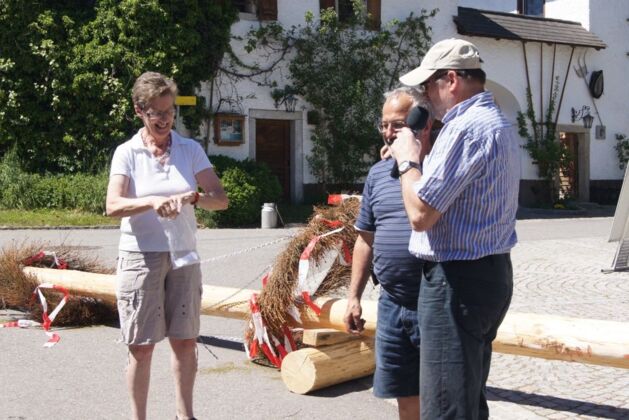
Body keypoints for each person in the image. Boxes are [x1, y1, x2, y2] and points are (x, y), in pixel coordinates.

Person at [389, 38, 520, 419]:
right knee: (466, 400)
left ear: (450, 80)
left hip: (456, 280)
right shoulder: (497, 122)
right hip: (487, 274)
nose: (423, 96)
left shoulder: (465, 128)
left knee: (446, 407)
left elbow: (420, 214)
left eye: (427, 85)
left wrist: (408, 160)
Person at [106, 71, 228, 420]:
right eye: (156, 113)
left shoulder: (190, 150)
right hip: (140, 256)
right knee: (141, 348)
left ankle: (185, 415)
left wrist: (195, 197)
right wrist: (151, 202)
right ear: (139, 111)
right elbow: (113, 205)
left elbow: (220, 200)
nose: (164, 120)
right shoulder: (127, 152)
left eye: (169, 111)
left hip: (184, 255)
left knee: (185, 342)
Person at [343, 86, 433, 420]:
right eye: (384, 125)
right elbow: (365, 239)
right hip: (392, 303)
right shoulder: (378, 173)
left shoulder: (437, 167)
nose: (388, 132)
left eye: (397, 124)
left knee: (443, 397)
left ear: (422, 122)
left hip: (434, 303)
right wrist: (353, 296)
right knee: (405, 396)